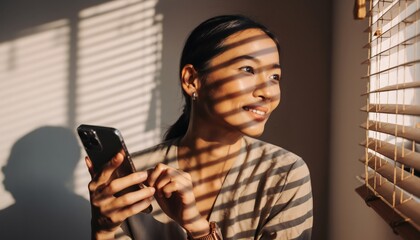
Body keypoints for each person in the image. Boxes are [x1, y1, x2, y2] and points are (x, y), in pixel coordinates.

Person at [85, 15, 313, 240]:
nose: (269, 92)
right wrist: (103, 230)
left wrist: (199, 229)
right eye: (248, 69)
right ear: (192, 79)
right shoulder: (135, 177)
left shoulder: (284, 173)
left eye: (275, 76)